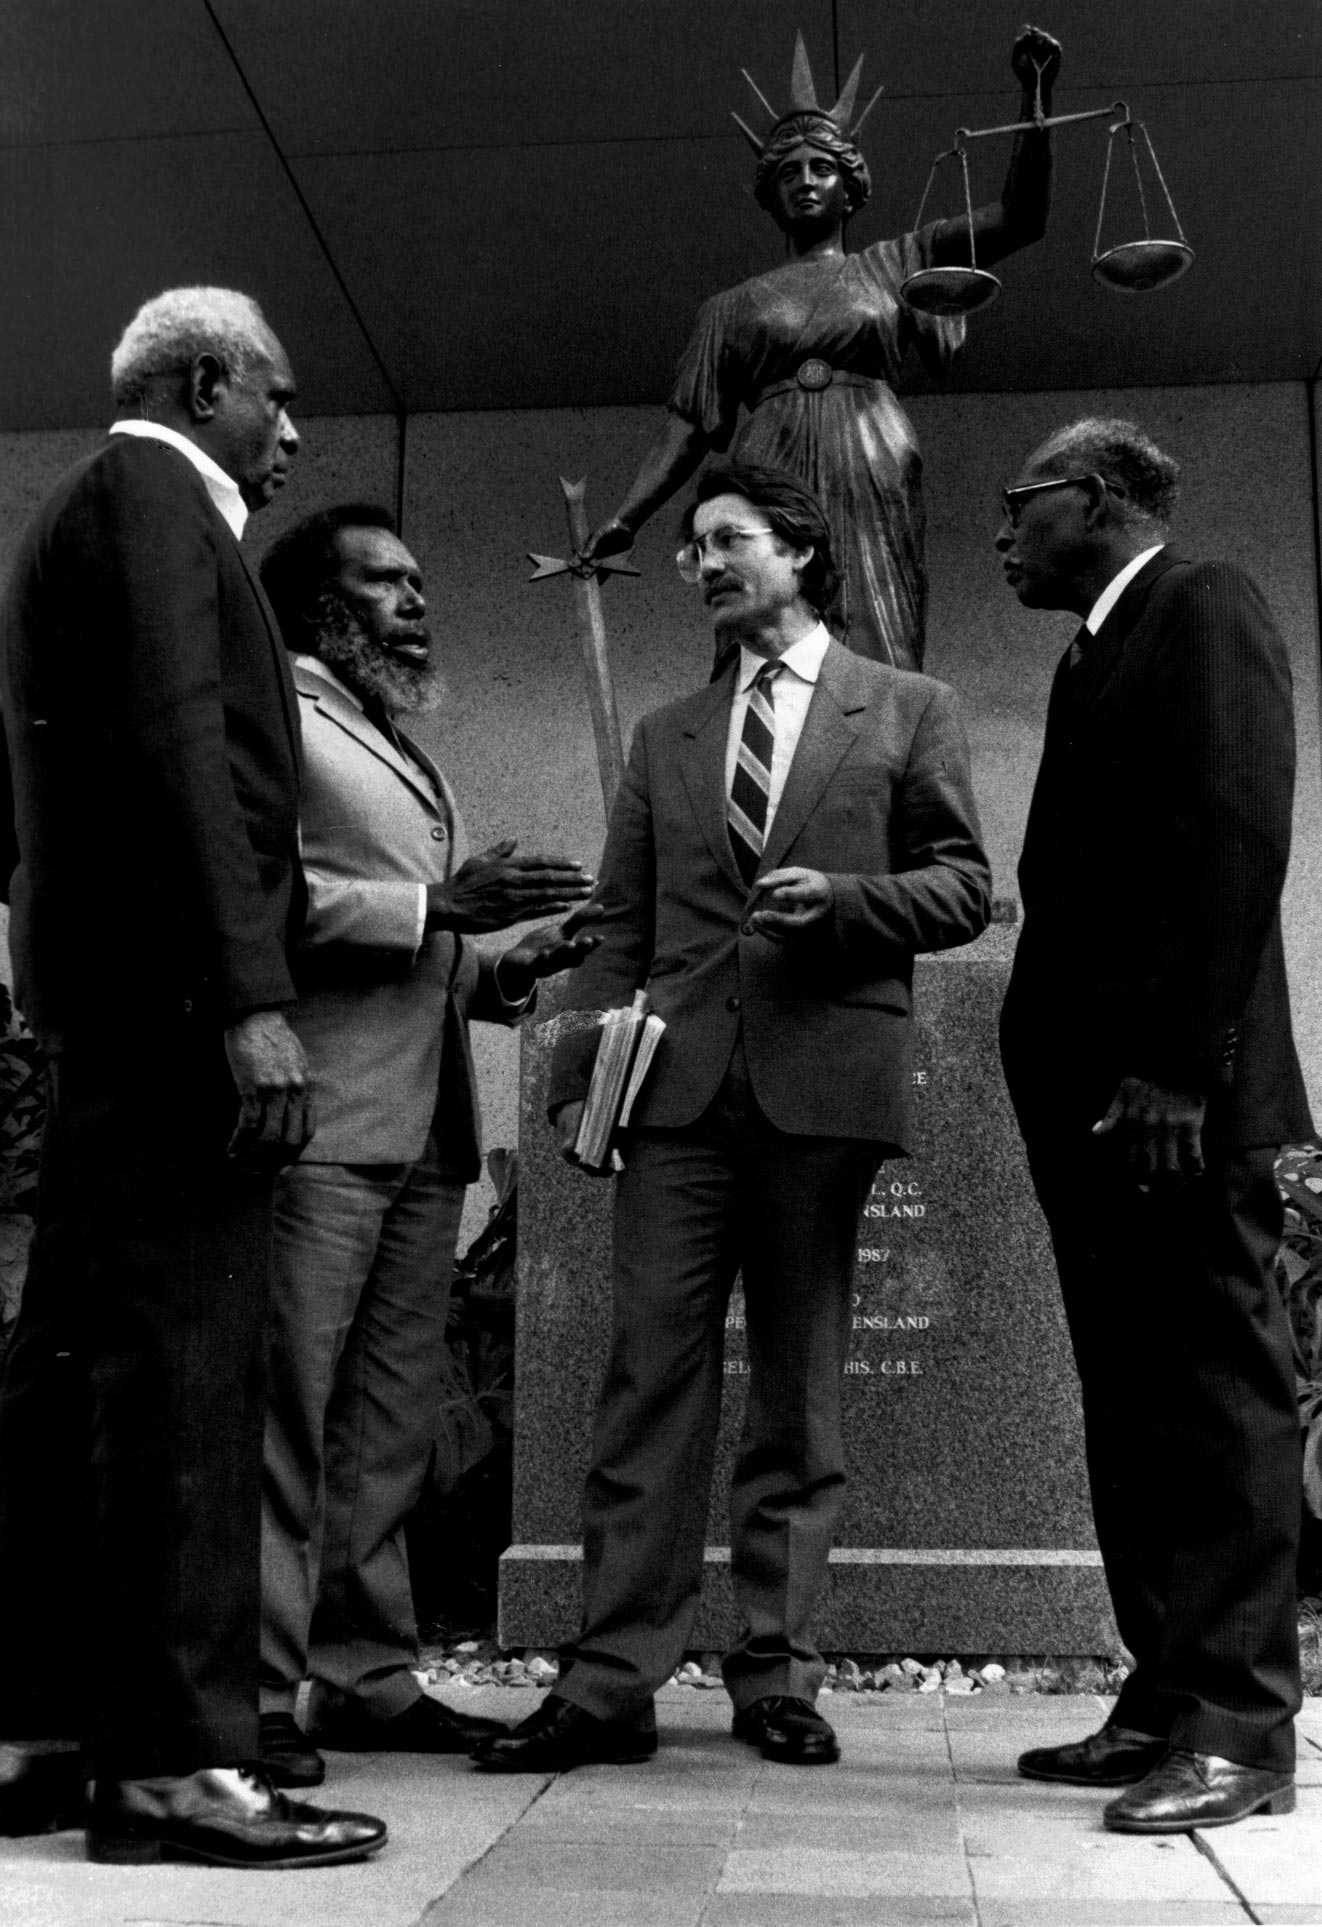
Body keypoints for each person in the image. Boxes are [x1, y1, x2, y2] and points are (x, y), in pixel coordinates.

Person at [473, 461, 990, 1774]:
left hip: (822, 1086)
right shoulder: (665, 737)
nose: (701, 562)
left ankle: (775, 1669)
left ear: (802, 552)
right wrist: (580, 1059)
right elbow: (621, 929)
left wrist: (851, 905)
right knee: (648, 1375)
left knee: (799, 1393)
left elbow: (965, 887)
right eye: (694, 545)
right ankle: (607, 1683)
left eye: (727, 540)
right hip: (679, 1098)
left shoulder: (907, 709)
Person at [0, 289, 385, 1868]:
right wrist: (249, 998)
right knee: (187, 1383)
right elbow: (179, 746)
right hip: (177, 1023)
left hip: (101, 1016)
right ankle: (172, 1763)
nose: (292, 433)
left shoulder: (63, 517)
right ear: (207, 381)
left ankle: (47, 1725)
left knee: (66, 1378)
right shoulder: (164, 498)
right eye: (277, 400)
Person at [995, 418, 1311, 1833]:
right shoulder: (1086, 656)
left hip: (1181, 1105)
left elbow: (1237, 835)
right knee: (1131, 1398)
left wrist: (1187, 1066)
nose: (1004, 531)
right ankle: (1164, 1692)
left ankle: (1243, 1727)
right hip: (1098, 1114)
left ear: (1103, 497)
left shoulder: (1203, 605)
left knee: (1220, 1391)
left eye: (1023, 505)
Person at [253, 505, 598, 1788]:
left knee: (386, 1422)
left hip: (422, 1127)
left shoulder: (392, 733)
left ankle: (361, 1674)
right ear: (316, 608)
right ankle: (251, 1691)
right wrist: (433, 904)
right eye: (382, 582)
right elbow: (252, 899)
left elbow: (418, 952)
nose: (415, 600)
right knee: (286, 1412)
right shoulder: (276, 718)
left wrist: (510, 967)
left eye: (416, 578)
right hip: (318, 1122)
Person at [578, 27, 1060, 670]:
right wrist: (627, 518)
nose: (805, 182)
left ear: (850, 186)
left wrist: (1035, 98)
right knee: (763, 616)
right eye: (788, 173)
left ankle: (880, 742)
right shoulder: (729, 308)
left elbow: (1020, 218)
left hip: (867, 456)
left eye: (822, 168)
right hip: (767, 466)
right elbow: (690, 426)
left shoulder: (900, 261)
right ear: (770, 195)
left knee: (877, 617)